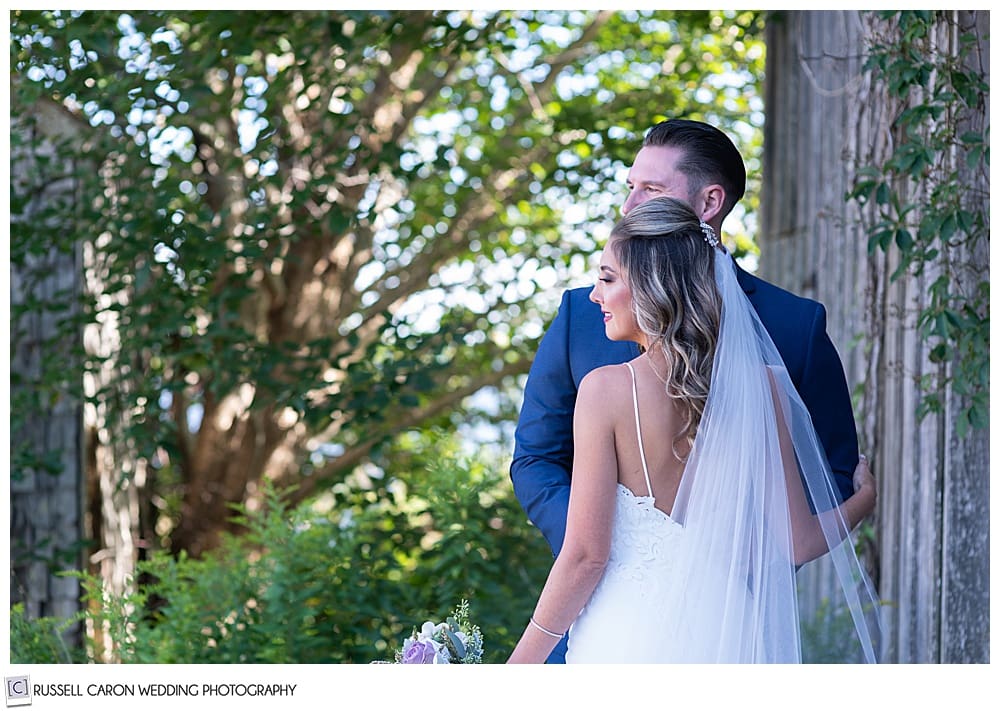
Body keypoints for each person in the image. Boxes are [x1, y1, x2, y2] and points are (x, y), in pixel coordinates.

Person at [510, 118, 864, 663]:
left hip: (723, 611)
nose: (630, 206)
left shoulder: (795, 327)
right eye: (630, 187)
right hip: (607, 604)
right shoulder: (580, 318)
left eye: (649, 190)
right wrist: (607, 531)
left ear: (710, 202)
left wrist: (722, 551)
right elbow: (536, 458)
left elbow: (828, 472)